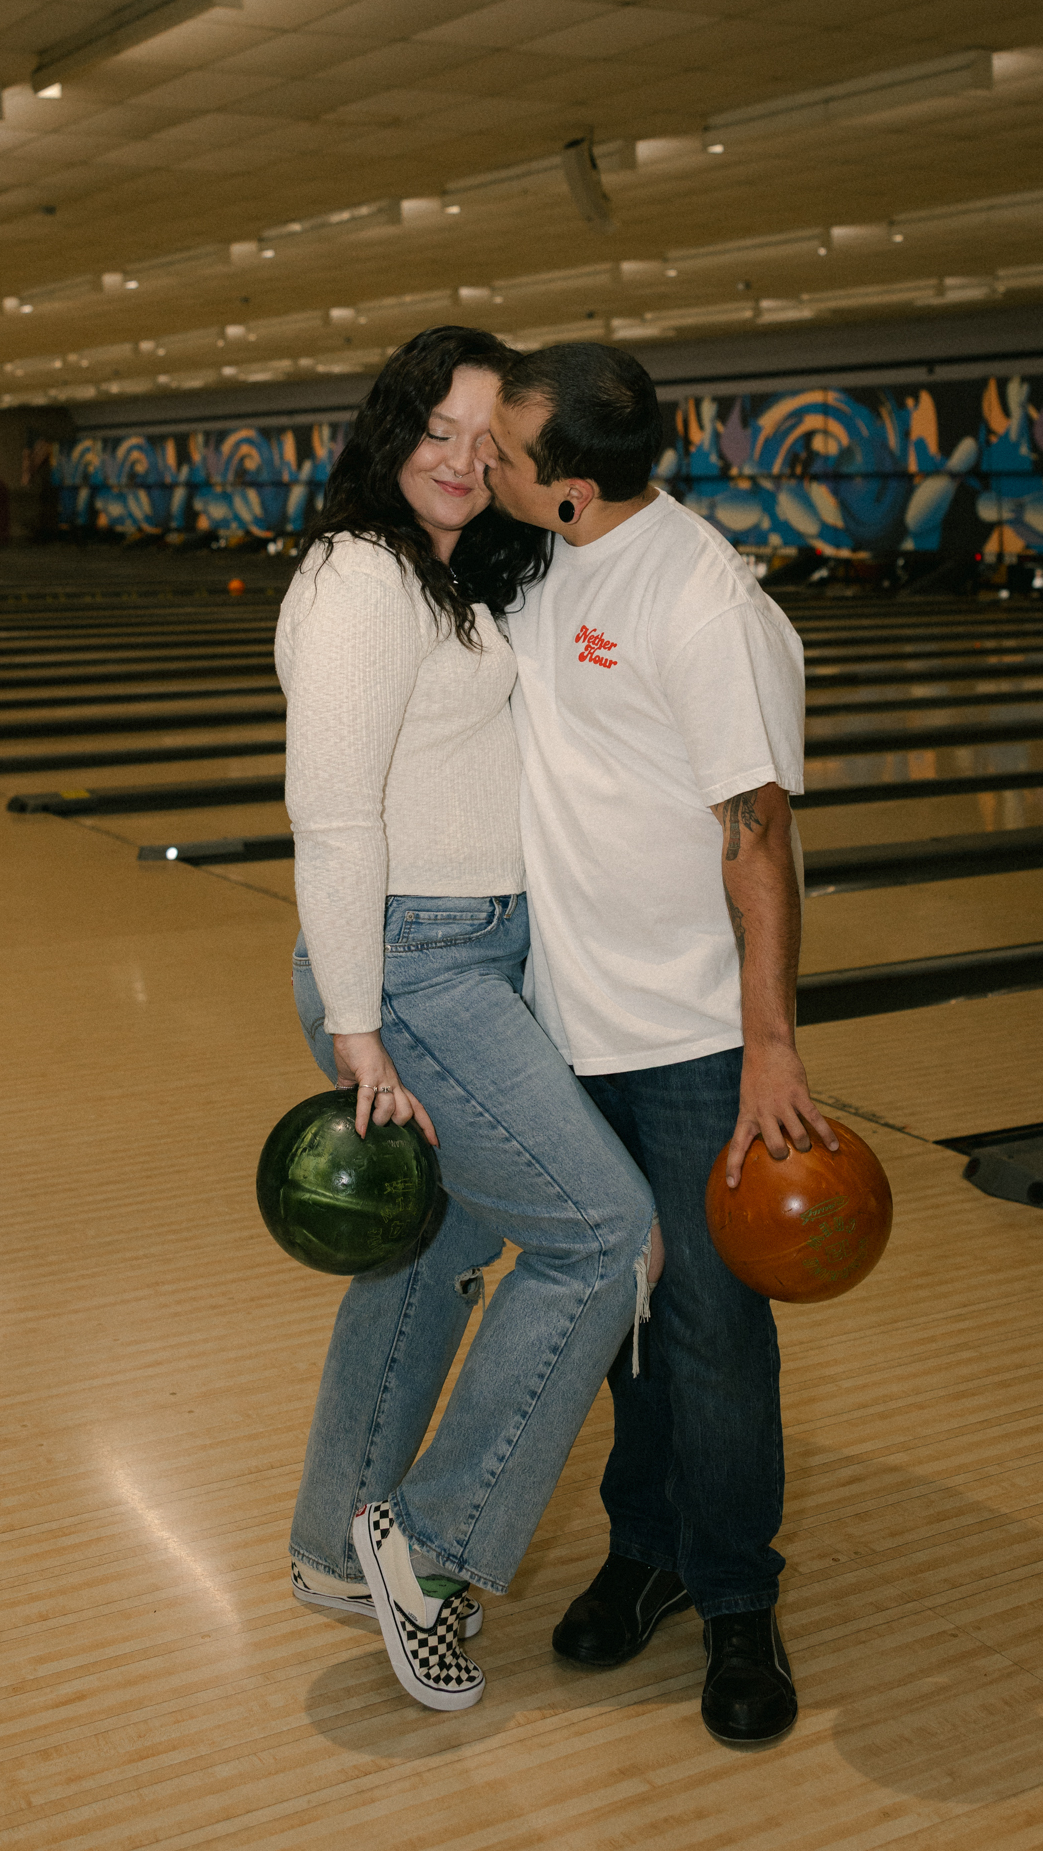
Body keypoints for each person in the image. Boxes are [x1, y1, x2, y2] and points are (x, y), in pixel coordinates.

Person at [276, 326, 659, 1714]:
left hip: (468, 959)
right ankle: (429, 1547)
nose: (456, 458)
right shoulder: (358, 578)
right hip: (412, 968)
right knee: (603, 1237)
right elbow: (332, 817)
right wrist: (359, 1026)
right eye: (434, 429)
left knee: (433, 1252)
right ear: (391, 431)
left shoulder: (446, 576)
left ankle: (338, 1548)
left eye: (484, 439)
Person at [480, 341, 835, 1749]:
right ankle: (648, 1552)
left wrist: (769, 1046)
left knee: (712, 1334)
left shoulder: (702, 603)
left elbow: (758, 834)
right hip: (565, 1029)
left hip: (689, 1041)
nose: (487, 464)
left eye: (508, 453)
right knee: (622, 1318)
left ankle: (736, 1592)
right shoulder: (544, 562)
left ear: (571, 485)